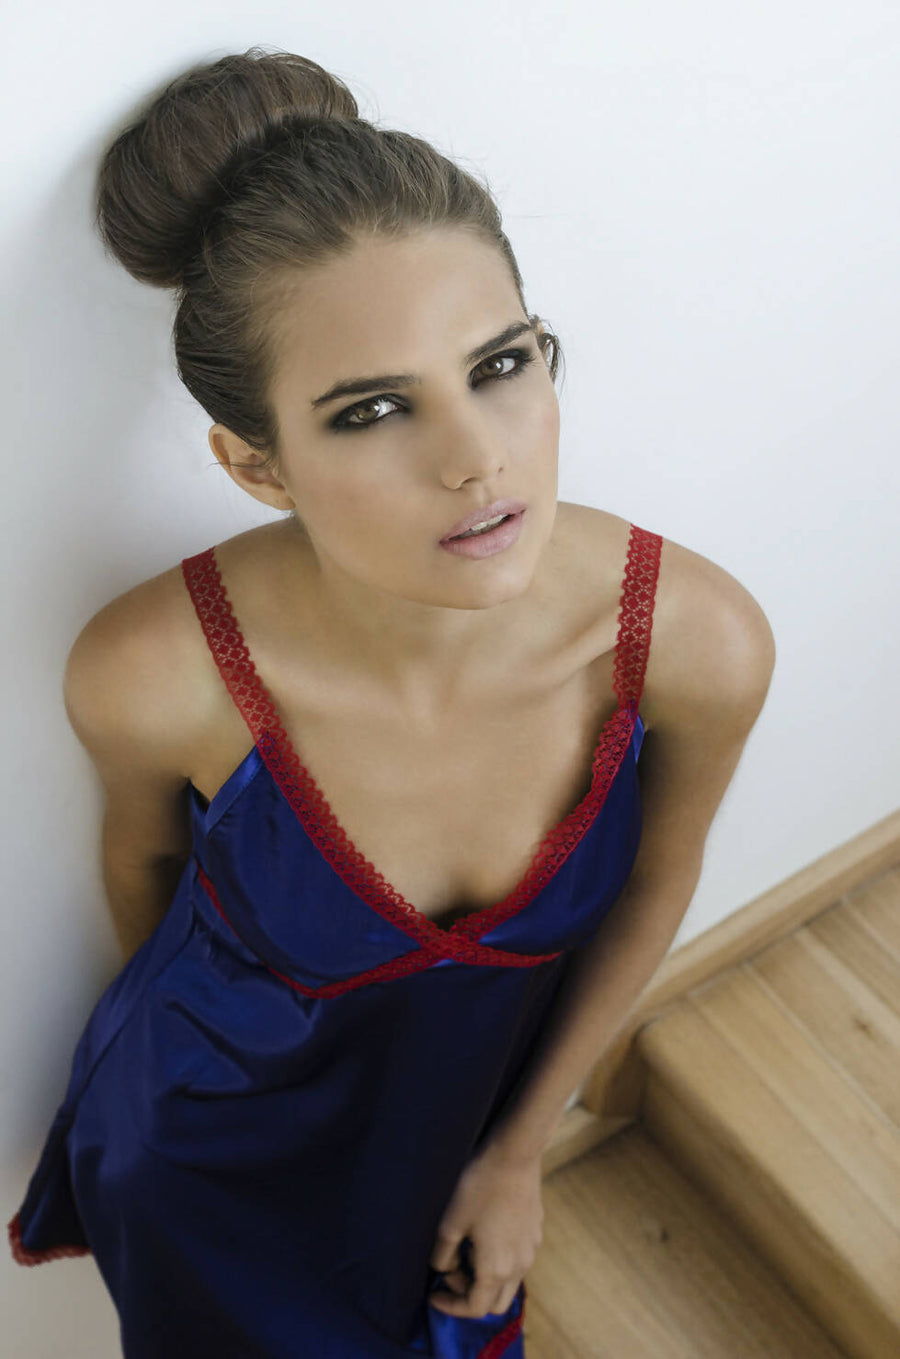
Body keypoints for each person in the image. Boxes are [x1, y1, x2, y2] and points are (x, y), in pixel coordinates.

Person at [7, 46, 775, 1359]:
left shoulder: (695, 642)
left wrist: (520, 1150)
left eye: (502, 364)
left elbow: (658, 880)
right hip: (208, 1161)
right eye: (371, 410)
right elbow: (146, 889)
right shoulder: (156, 672)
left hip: (457, 1133)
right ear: (259, 467)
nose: (478, 461)